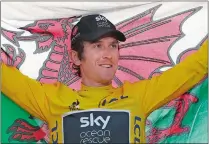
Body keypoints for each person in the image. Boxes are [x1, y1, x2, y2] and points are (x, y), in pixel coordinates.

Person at [1, 14, 208, 144]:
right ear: (75, 56)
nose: (108, 53)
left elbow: (197, 66)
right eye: (97, 46)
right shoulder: (51, 99)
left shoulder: (139, 95)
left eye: (113, 45)